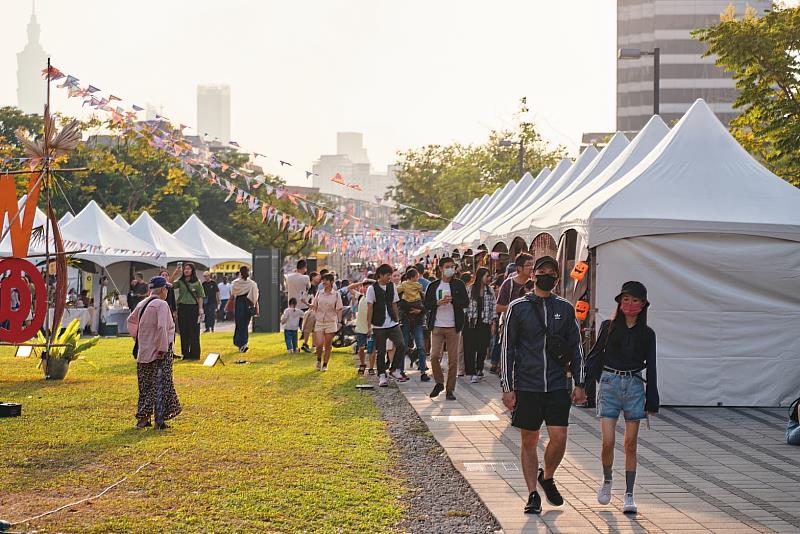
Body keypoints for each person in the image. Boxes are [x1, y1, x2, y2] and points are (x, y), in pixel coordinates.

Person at [500, 256, 586, 515]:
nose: (546, 275)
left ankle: (546, 477)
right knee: (529, 439)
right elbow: (507, 348)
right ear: (533, 275)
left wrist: (580, 382)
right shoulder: (518, 307)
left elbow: (576, 347)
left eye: (552, 272)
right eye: (542, 271)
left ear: (557, 279)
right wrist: (507, 386)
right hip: (527, 383)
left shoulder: (566, 308)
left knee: (559, 438)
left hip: (558, 384)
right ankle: (532, 494)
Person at [587, 281, 658, 514]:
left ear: (643, 304)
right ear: (619, 301)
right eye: (626, 299)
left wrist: (651, 399)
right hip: (609, 383)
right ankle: (607, 480)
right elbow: (594, 356)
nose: (630, 304)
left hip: (635, 385)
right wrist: (594, 383)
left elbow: (653, 367)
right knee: (607, 441)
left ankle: (629, 494)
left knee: (630, 444)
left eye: (635, 300)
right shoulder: (608, 326)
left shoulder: (647, 334)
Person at [127, 276, 181, 430]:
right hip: (159, 351)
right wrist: (162, 348)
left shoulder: (142, 303)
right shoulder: (162, 305)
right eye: (167, 289)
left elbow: (131, 321)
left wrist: (139, 338)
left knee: (145, 385)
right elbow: (162, 328)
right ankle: (160, 420)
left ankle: (143, 419)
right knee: (162, 385)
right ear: (163, 289)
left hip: (144, 351)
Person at [424, 257, 469, 400]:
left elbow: (465, 303)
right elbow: (426, 304)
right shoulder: (433, 286)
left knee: (453, 360)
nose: (451, 269)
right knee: (434, 356)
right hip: (437, 325)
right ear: (441, 268)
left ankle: (450, 389)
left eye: (453, 266)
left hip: (453, 327)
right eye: (448, 266)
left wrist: (453, 300)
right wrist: (437, 302)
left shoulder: (459, 284)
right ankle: (439, 382)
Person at [367, 264, 407, 386]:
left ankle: (394, 369)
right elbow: (370, 307)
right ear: (380, 275)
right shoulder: (372, 289)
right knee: (381, 350)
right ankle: (382, 375)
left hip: (393, 322)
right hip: (379, 324)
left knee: (401, 344)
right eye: (387, 275)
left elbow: (394, 303)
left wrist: (397, 319)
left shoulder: (392, 286)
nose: (389, 277)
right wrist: (369, 326)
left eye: (390, 275)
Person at [463, 267, 496, 384]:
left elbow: (493, 307)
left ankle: (479, 369)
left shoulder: (490, 290)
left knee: (482, 348)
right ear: (480, 276)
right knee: (470, 348)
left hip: (485, 322)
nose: (489, 278)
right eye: (486, 276)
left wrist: (493, 322)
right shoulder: (470, 289)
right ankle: (472, 372)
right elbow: (464, 306)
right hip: (471, 323)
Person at [398, 267, 429, 382]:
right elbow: (398, 305)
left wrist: (420, 311)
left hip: (417, 321)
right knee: (404, 346)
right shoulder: (402, 291)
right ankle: (400, 371)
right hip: (406, 321)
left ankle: (423, 370)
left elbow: (426, 305)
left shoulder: (420, 291)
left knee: (420, 346)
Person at [172, 263, 205, 360]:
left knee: (194, 331)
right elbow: (169, 285)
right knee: (184, 331)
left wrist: (200, 308)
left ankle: (195, 354)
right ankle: (185, 354)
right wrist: (175, 273)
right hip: (182, 308)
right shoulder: (180, 281)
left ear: (192, 270)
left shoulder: (197, 282)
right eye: (185, 269)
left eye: (188, 269)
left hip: (193, 308)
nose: (186, 270)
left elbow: (200, 296)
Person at [311, 273, 342, 370]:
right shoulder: (319, 293)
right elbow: (315, 305)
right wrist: (309, 305)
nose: (324, 282)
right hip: (320, 321)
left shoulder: (336, 295)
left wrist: (339, 321)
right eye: (323, 280)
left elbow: (339, 309)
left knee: (328, 344)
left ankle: (325, 364)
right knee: (319, 343)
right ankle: (319, 359)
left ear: (331, 282)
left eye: (326, 280)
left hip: (330, 321)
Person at [231, 266, 260, 353]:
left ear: (240, 273)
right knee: (245, 324)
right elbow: (255, 297)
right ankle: (243, 343)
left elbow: (233, 293)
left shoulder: (235, 283)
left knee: (239, 323)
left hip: (239, 302)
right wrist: (256, 307)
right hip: (248, 303)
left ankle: (239, 342)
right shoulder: (252, 284)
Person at [354, 276, 376, 375]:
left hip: (372, 327)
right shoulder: (360, 297)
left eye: (369, 287)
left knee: (372, 349)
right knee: (361, 348)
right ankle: (362, 364)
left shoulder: (376, 300)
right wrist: (360, 283)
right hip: (360, 328)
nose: (367, 289)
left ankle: (371, 368)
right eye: (365, 287)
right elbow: (349, 288)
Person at [300, 271, 321, 353]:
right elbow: (302, 298)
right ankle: (305, 344)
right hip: (311, 312)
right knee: (308, 329)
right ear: (313, 277)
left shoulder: (316, 287)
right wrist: (309, 305)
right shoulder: (309, 287)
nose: (319, 277)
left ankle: (313, 345)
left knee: (315, 329)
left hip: (315, 311)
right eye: (317, 276)